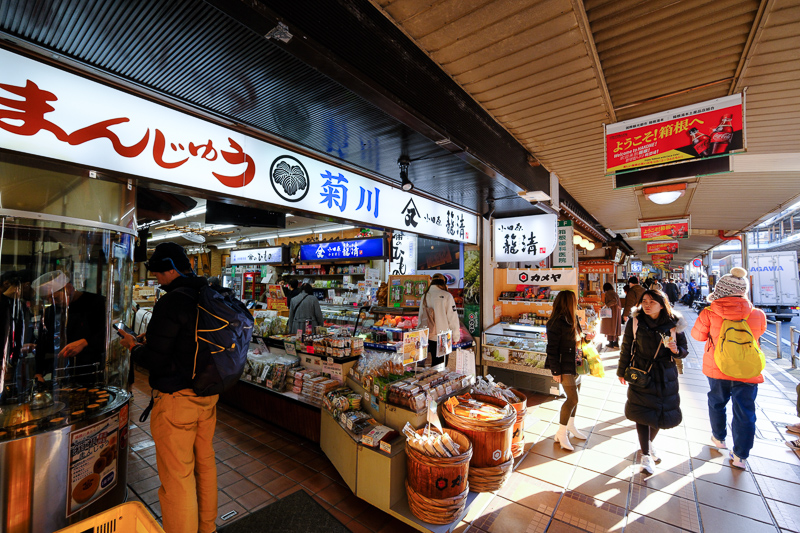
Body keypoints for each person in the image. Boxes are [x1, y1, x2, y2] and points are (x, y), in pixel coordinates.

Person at [118, 242, 217, 533]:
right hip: (207, 395)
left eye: (159, 274)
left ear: (171, 269)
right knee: (205, 466)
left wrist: (132, 347)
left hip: (177, 401)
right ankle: (207, 528)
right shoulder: (207, 293)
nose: (156, 281)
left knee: (178, 478)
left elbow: (155, 361)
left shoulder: (172, 301)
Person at [690, 267, 767, 469]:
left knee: (717, 403)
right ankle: (741, 456)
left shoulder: (708, 312)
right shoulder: (757, 314)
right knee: (745, 411)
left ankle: (719, 438)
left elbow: (697, 336)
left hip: (717, 368)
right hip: (748, 370)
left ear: (720, 290)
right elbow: (758, 335)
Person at [618, 290, 688, 474]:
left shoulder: (674, 323)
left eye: (652, 301)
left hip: (665, 375)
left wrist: (676, 350)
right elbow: (626, 347)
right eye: (644, 301)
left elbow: (684, 350)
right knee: (642, 413)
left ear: (662, 303)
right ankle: (646, 455)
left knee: (659, 413)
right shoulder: (636, 321)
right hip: (641, 373)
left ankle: (648, 444)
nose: (647, 305)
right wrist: (621, 371)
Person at [33, 271, 106, 386]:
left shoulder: (97, 302)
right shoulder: (50, 312)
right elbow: (42, 342)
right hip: (62, 371)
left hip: (92, 368)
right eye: (48, 300)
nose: (53, 303)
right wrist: (38, 372)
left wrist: (85, 342)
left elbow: (108, 333)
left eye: (55, 298)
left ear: (69, 288)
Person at [545, 290, 587, 451]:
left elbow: (578, 336)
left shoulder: (573, 317)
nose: (576, 303)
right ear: (568, 303)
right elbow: (552, 349)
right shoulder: (555, 323)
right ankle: (562, 432)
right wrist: (555, 371)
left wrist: (587, 337)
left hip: (575, 363)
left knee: (576, 397)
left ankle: (571, 426)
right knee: (572, 399)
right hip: (564, 366)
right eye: (574, 301)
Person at [418, 273, 460, 367]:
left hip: (427, 336)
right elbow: (452, 317)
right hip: (443, 337)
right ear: (443, 283)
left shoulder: (424, 296)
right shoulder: (447, 295)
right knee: (440, 367)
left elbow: (420, 317)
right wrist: (456, 336)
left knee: (425, 369)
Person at [599, 282, 622, 349]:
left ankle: (611, 343)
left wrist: (607, 305)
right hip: (615, 312)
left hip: (612, 312)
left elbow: (614, 301)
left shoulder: (609, 293)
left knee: (610, 327)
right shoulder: (614, 292)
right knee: (615, 327)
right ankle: (615, 343)